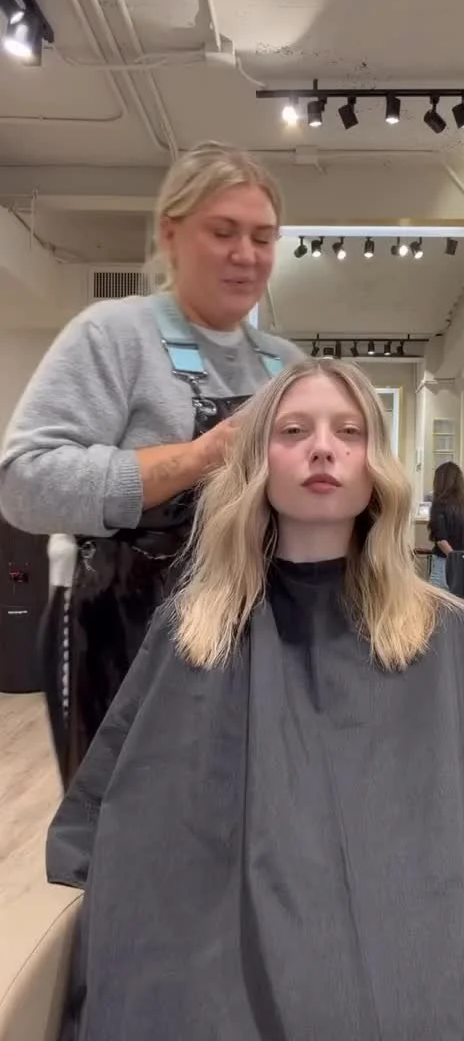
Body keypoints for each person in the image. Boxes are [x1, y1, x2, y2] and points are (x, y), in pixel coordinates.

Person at [47, 358, 464, 1040]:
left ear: (375, 465)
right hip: (219, 979)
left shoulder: (447, 638)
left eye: (348, 432)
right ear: (257, 460)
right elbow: (125, 836)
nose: (323, 448)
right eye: (294, 430)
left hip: (432, 967)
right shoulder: (191, 637)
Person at [0, 140, 303, 784]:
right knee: (127, 823)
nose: (246, 254)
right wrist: (197, 458)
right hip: (120, 638)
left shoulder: (287, 367)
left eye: (262, 237)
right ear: (171, 233)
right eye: (223, 232)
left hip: (256, 636)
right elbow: (24, 482)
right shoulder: (113, 336)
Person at [428, 460, 464, 592]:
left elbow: (441, 540)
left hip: (444, 563)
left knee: (437, 602)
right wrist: (460, 563)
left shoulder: (439, 505)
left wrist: (454, 561)